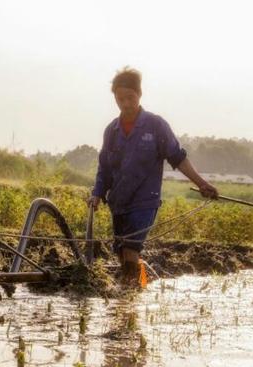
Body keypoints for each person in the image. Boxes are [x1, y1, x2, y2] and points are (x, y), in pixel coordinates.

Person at [89, 67, 218, 286]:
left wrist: (202, 184)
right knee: (123, 255)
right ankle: (134, 299)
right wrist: (97, 194)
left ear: (139, 95)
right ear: (115, 99)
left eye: (130, 97)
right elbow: (104, 169)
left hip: (144, 202)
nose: (126, 103)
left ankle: (127, 302)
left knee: (130, 248)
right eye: (121, 99)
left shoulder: (156, 126)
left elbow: (178, 158)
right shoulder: (111, 131)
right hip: (119, 202)